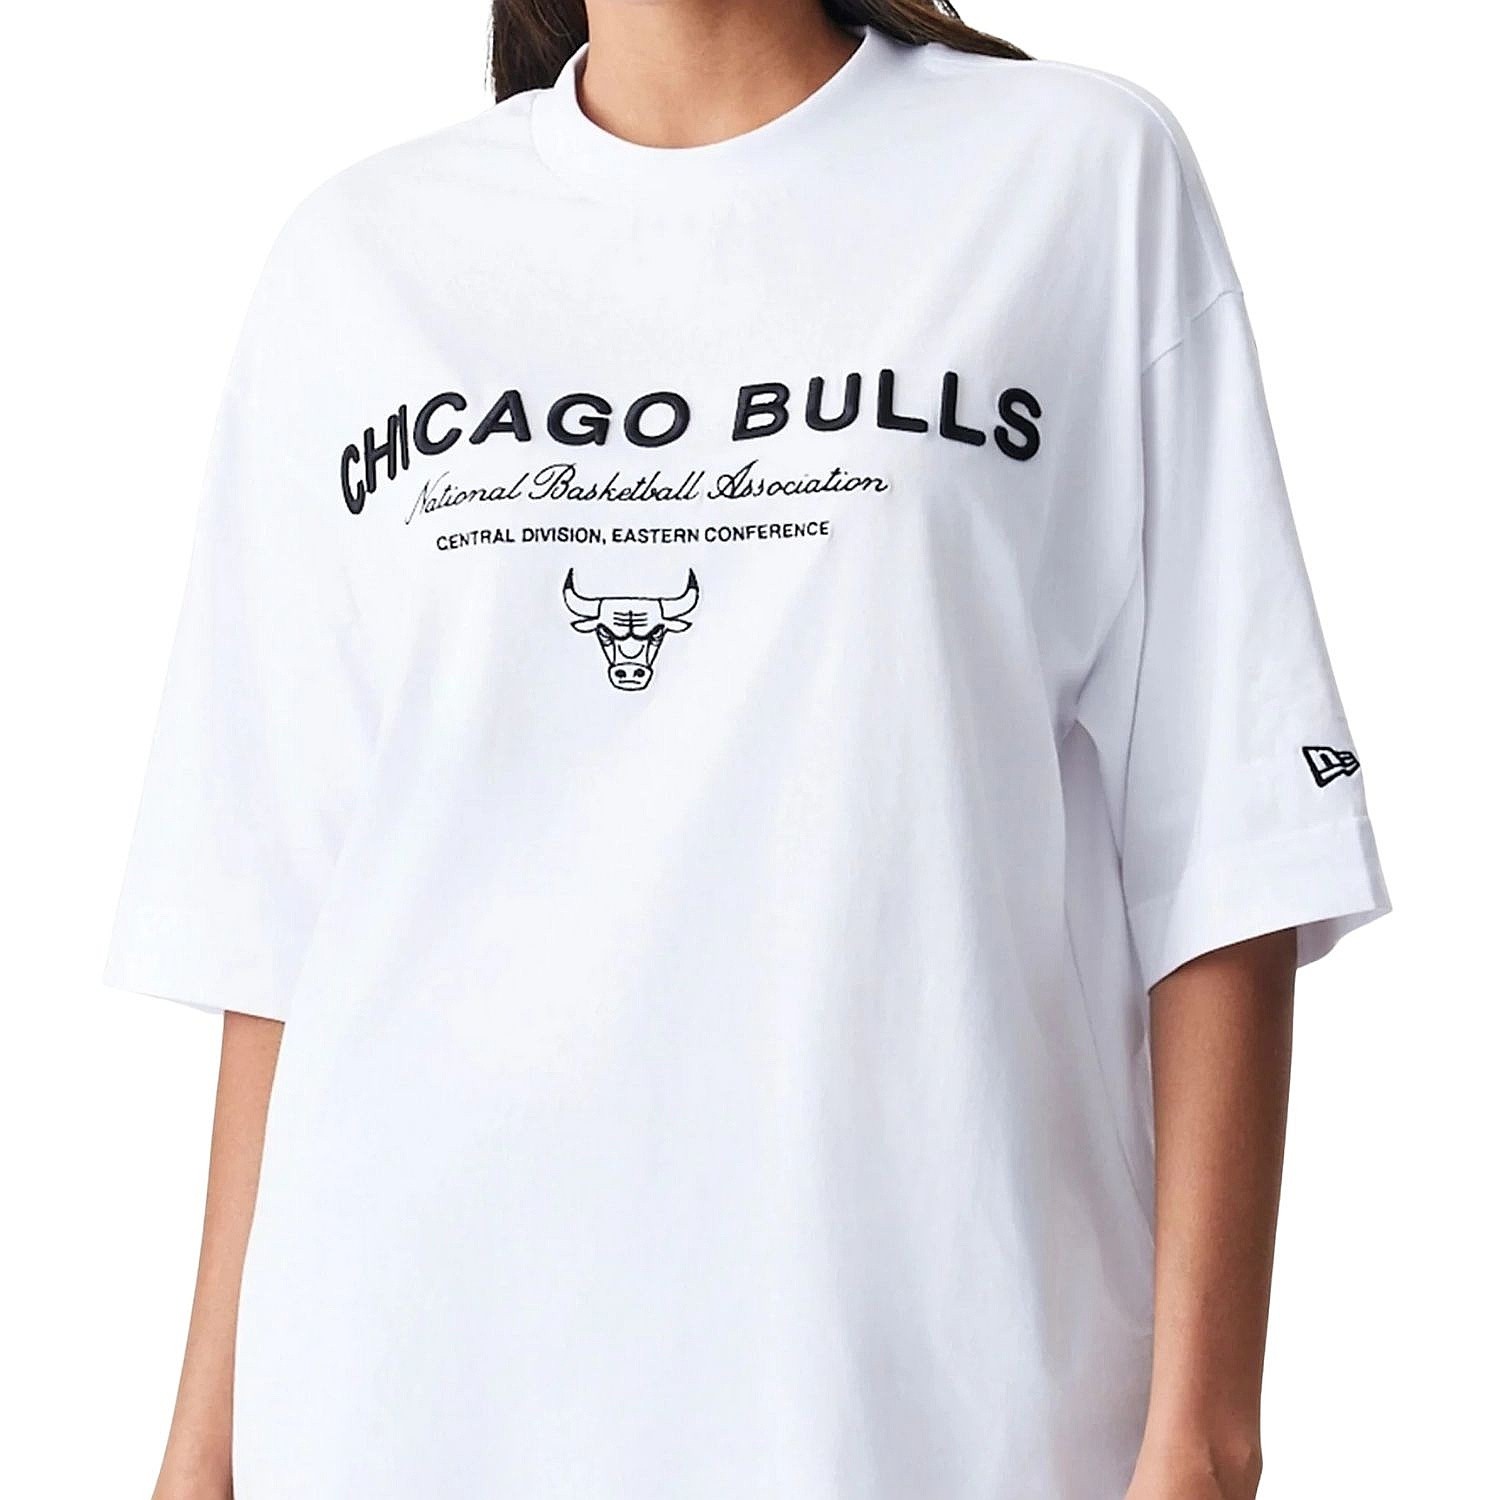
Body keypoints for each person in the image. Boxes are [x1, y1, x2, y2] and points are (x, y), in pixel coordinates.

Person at [107, 2, 1390, 1497]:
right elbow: (285, 929)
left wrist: (1206, 1445)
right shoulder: (358, 256)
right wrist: (199, 1458)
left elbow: (1228, 843)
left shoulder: (1073, 176)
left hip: (923, 1415)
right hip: (406, 1401)